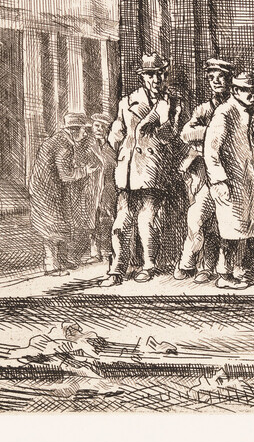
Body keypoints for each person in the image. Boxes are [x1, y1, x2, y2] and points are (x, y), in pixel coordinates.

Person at [101, 54, 184, 285]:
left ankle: (148, 265)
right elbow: (116, 134)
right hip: (128, 169)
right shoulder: (127, 102)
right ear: (143, 77)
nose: (156, 79)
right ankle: (117, 269)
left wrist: (163, 116)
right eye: (150, 74)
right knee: (122, 221)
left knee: (148, 219)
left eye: (160, 74)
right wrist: (119, 146)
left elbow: (172, 138)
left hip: (153, 167)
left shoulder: (172, 103)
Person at [203, 70, 254, 289]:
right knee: (230, 231)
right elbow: (211, 150)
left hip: (252, 180)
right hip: (231, 182)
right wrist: (218, 180)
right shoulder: (225, 113)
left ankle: (249, 270)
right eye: (248, 91)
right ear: (235, 91)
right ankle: (225, 274)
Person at [175, 57, 234, 282]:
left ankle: (214, 268)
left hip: (231, 174)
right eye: (212, 78)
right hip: (205, 173)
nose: (216, 82)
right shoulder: (203, 109)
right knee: (198, 218)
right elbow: (186, 134)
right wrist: (214, 132)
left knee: (224, 224)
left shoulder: (237, 107)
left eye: (221, 77)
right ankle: (190, 263)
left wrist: (207, 136)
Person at [28, 112, 96, 275]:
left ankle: (63, 260)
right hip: (47, 192)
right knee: (52, 228)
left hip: (52, 190)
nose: (85, 133)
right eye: (82, 130)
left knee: (63, 224)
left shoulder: (60, 140)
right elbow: (65, 174)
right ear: (74, 130)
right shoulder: (64, 145)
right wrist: (84, 171)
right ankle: (51, 266)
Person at [82, 110, 118, 270]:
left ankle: (107, 251)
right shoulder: (87, 148)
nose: (98, 129)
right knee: (92, 221)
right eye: (96, 126)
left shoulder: (111, 149)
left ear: (107, 129)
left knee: (107, 220)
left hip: (108, 190)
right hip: (91, 188)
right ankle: (94, 252)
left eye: (102, 127)